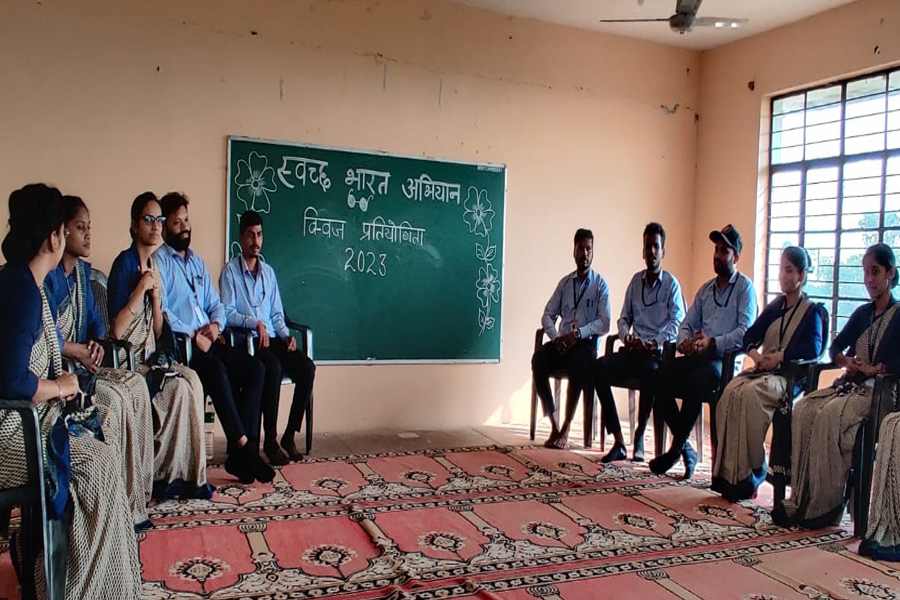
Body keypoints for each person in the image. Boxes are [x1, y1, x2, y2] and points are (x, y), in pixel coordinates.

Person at [0, 183, 141, 599]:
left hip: (29, 419)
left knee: (101, 438)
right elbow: (12, 380)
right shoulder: (23, 291)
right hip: (13, 433)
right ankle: (82, 587)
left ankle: (50, 562)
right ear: (54, 237)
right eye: (67, 229)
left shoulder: (24, 280)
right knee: (99, 467)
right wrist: (59, 386)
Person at [43, 195, 154, 529]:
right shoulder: (49, 276)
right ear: (61, 232)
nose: (89, 235)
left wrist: (93, 346)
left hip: (84, 367)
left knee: (136, 385)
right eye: (80, 228)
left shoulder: (83, 274)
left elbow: (96, 324)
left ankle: (137, 498)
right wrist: (76, 350)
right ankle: (111, 508)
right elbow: (47, 336)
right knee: (115, 401)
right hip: (58, 375)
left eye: (89, 227)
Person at [774, 243, 900, 530]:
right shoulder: (862, 314)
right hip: (852, 386)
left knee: (829, 416)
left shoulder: (898, 316)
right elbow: (835, 348)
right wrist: (847, 361)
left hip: (880, 395)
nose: (869, 279)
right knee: (805, 409)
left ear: (890, 273)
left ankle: (826, 505)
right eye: (865, 272)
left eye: (875, 272)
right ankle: (801, 500)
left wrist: (877, 369)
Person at [153, 191, 273, 484]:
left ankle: (240, 454)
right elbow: (163, 311)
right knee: (217, 371)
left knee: (256, 369)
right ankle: (245, 449)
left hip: (212, 340)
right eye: (177, 222)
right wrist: (193, 334)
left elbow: (216, 304)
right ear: (165, 227)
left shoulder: (196, 262)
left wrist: (217, 325)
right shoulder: (159, 263)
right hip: (184, 348)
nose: (184, 227)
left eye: (186, 220)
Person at [108, 191, 213, 499]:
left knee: (192, 381)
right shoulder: (124, 264)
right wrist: (140, 289)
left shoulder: (154, 263)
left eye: (159, 220)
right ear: (134, 225)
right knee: (176, 390)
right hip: (127, 360)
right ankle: (155, 476)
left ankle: (183, 476)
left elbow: (155, 330)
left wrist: (155, 299)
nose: (156, 226)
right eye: (148, 219)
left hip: (150, 355)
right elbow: (116, 330)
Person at [711, 246, 827, 501]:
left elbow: (814, 348)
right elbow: (750, 335)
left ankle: (754, 469)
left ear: (801, 276)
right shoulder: (776, 306)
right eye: (781, 269)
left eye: (789, 270)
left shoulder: (812, 311)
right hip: (763, 371)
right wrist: (756, 356)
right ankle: (732, 478)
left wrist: (780, 357)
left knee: (751, 396)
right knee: (730, 393)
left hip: (788, 377)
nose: (783, 276)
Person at [649, 224, 757, 479]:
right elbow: (685, 324)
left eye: (724, 251)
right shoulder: (706, 290)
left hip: (725, 363)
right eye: (716, 250)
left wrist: (713, 342)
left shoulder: (745, 289)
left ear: (735, 257)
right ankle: (686, 448)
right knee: (658, 377)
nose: (717, 256)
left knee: (697, 382)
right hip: (699, 357)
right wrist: (685, 342)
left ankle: (675, 450)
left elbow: (745, 333)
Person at [219, 210, 315, 464]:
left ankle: (289, 435)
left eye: (259, 234)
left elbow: (277, 314)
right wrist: (254, 323)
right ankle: (269, 441)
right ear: (241, 237)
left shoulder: (269, 273)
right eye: (250, 235)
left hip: (272, 339)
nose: (256, 240)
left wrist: (285, 336)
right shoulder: (230, 272)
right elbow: (227, 314)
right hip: (249, 341)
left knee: (307, 368)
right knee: (272, 367)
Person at [594, 222, 685, 463]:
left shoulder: (671, 285)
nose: (651, 251)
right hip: (633, 350)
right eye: (648, 247)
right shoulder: (635, 282)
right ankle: (618, 440)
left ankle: (640, 434)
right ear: (643, 251)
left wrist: (654, 342)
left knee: (650, 373)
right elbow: (623, 318)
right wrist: (627, 336)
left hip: (655, 355)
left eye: (656, 246)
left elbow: (678, 324)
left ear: (663, 251)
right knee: (598, 368)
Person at [532, 228, 610, 449]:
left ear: (593, 252)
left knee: (579, 363)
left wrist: (578, 334)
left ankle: (566, 427)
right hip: (562, 343)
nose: (585, 253)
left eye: (589, 249)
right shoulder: (565, 284)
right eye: (581, 248)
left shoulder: (600, 285)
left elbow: (604, 322)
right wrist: (556, 337)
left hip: (583, 344)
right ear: (574, 251)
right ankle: (554, 424)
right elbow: (547, 314)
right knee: (538, 360)